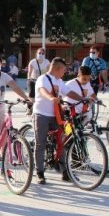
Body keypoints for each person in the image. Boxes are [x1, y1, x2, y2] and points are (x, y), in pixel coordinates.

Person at [33, 57, 91, 185]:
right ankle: (39, 173)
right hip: (41, 114)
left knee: (62, 142)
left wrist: (82, 98)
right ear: (57, 68)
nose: (64, 73)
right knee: (40, 144)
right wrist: (51, 97)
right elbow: (41, 91)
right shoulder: (43, 79)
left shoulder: (59, 81)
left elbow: (69, 92)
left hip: (56, 116)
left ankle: (65, 172)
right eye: (63, 70)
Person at [27, 48, 50, 115]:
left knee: (42, 95)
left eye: (42, 53)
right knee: (31, 95)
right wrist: (29, 78)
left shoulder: (47, 62)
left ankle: (41, 108)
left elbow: (48, 72)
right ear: (36, 53)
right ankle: (29, 108)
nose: (41, 55)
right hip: (33, 80)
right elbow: (29, 72)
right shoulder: (32, 62)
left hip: (42, 81)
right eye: (39, 53)